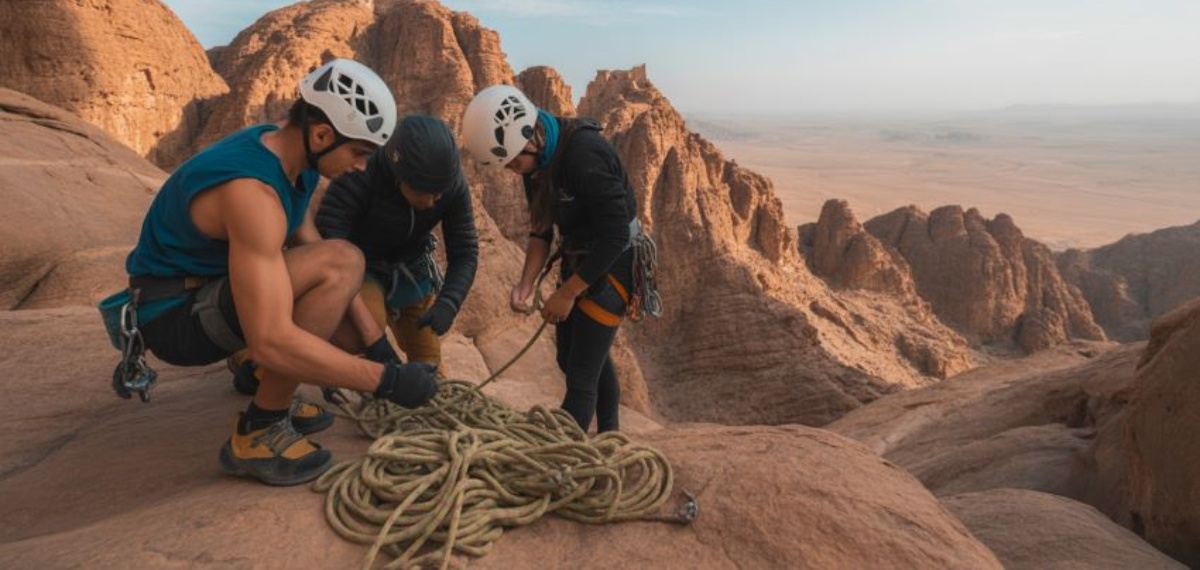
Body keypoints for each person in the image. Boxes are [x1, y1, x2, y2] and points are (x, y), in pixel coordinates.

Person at [117, 59, 438, 486]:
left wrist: (377, 346)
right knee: (344, 261)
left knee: (350, 323)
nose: (362, 167)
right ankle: (259, 431)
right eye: (359, 152)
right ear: (323, 134)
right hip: (173, 317)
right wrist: (387, 380)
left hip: (206, 295)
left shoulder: (291, 160)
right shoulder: (253, 193)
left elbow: (309, 247)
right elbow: (274, 335)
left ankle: (263, 381)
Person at [461, 85, 640, 433]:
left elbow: (616, 235)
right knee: (571, 357)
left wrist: (568, 293)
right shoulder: (537, 163)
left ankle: (564, 458)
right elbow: (542, 228)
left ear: (532, 138)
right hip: (581, 256)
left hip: (613, 262)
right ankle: (610, 436)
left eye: (514, 161)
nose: (515, 171)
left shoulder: (584, 156)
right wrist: (525, 282)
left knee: (581, 376)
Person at [315, 114, 479, 374]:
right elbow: (329, 243)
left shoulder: (452, 185)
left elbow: (465, 251)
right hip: (360, 266)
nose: (434, 202)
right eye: (425, 193)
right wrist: (373, 339)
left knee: (429, 364)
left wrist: (449, 302)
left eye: (440, 193)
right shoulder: (361, 173)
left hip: (411, 269)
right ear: (398, 177)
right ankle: (267, 365)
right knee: (360, 333)